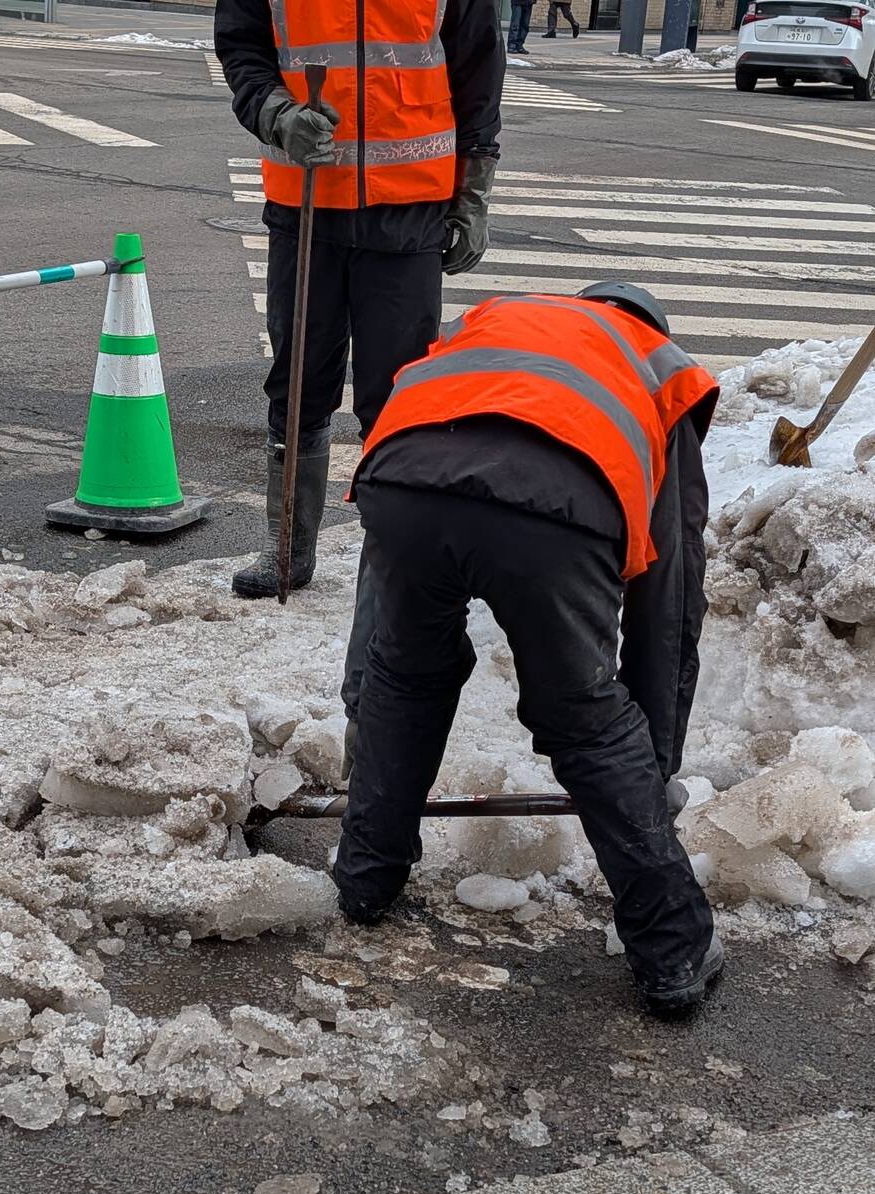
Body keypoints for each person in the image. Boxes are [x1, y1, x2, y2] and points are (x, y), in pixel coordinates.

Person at [333, 283, 726, 1013]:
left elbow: (375, 596)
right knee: (584, 718)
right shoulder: (657, 370)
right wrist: (650, 763)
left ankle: (365, 879)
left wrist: (364, 694)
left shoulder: (494, 324)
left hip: (401, 479)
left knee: (407, 672)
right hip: (555, 509)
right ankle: (672, 951)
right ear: (652, 329)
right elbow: (667, 603)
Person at [214, 0, 505, 601]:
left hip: (409, 206)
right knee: (298, 382)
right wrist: (277, 114)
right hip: (305, 201)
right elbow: (243, 48)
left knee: (399, 392)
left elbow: (477, 67)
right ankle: (288, 545)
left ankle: (398, 552)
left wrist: (473, 191)